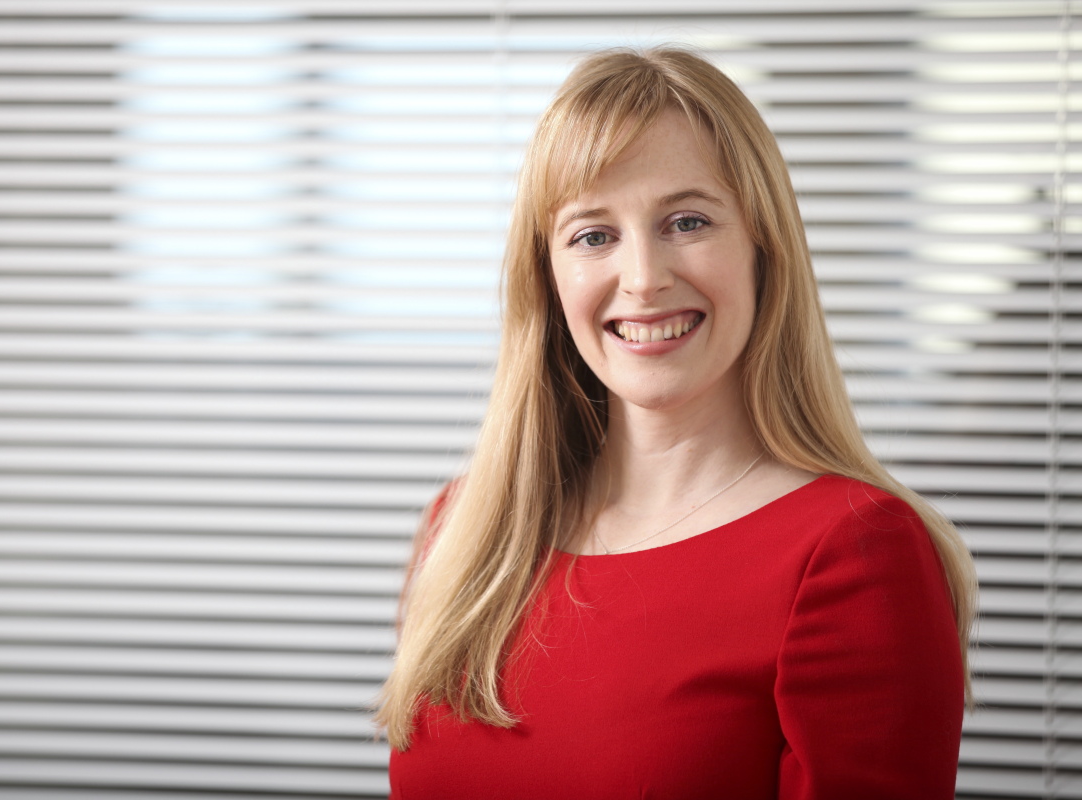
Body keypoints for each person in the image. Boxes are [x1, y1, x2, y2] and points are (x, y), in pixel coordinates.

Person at [376, 46, 975, 799]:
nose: (644, 279)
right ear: (549, 275)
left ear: (764, 249)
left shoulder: (856, 554)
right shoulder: (464, 530)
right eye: (594, 235)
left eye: (686, 221)